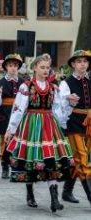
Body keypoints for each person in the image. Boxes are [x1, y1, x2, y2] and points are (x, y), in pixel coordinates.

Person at [4, 55, 74, 212]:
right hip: (31, 125)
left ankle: (54, 199)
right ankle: (30, 193)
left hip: (49, 125)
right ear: (34, 68)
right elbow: (18, 109)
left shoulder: (53, 88)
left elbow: (58, 110)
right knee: (31, 157)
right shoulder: (26, 87)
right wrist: (11, 129)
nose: (45, 70)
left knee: (51, 160)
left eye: (47, 68)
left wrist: (67, 111)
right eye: (42, 67)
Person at [58, 50, 91, 205]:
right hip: (74, 123)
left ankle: (67, 190)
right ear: (73, 64)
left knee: (81, 159)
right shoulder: (66, 83)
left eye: (85, 61)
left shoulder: (90, 80)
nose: (83, 64)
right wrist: (69, 100)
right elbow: (59, 105)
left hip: (89, 124)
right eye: (79, 61)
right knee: (82, 159)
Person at [0, 54, 24, 179]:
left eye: (15, 65)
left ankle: (17, 164)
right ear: (6, 67)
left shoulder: (23, 82)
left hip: (19, 112)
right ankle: (4, 166)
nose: (13, 68)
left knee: (19, 139)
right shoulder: (0, 83)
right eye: (10, 66)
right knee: (5, 140)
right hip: (4, 112)